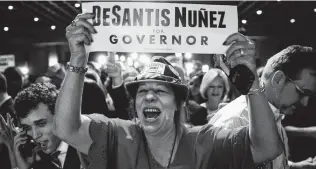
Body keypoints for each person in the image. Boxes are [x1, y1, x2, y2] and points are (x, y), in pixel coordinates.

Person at [52, 13, 282, 169]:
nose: (149, 96)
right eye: (142, 92)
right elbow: (65, 129)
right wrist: (78, 60)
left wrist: (251, 84)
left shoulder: (205, 142)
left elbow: (267, 148)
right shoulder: (116, 135)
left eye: (161, 91)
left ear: (179, 103)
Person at [209, 45, 316, 169]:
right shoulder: (236, 122)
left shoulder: (274, 115)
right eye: (302, 92)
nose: (305, 102)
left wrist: (294, 167)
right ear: (278, 79)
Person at [13, 82, 82, 169]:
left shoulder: (87, 149)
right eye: (27, 128)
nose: (35, 135)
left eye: (41, 124)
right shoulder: (39, 159)